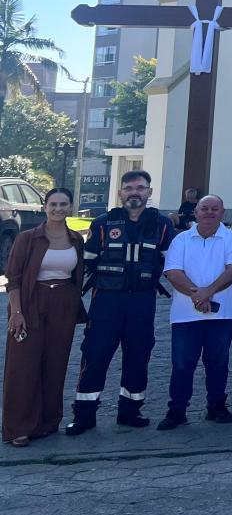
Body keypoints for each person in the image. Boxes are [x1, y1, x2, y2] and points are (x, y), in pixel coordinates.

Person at [67, 169, 175, 435]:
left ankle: (130, 411)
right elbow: (87, 261)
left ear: (149, 192)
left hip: (142, 300)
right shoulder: (103, 223)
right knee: (95, 354)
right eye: (128, 188)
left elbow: (170, 261)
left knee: (139, 355)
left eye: (140, 188)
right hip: (106, 300)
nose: (134, 193)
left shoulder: (161, 224)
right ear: (120, 192)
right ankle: (84, 415)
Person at [3, 187, 86, 446]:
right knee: (23, 366)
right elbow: (13, 279)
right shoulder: (28, 238)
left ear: (70, 207)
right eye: (53, 204)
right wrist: (16, 312)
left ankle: (47, 422)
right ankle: (18, 427)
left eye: (63, 204)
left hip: (63, 304)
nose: (58, 209)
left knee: (55, 363)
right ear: (45, 206)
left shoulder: (76, 240)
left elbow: (77, 275)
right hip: (30, 302)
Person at [158, 195, 232, 430]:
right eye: (204, 208)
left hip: (222, 314)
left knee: (218, 362)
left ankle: (216, 406)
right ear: (195, 212)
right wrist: (198, 295)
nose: (209, 212)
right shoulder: (181, 240)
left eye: (214, 208)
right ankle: (177, 410)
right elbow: (173, 273)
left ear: (222, 212)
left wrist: (208, 292)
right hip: (185, 315)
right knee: (182, 364)